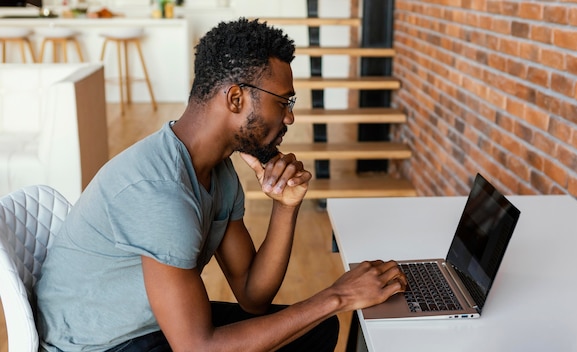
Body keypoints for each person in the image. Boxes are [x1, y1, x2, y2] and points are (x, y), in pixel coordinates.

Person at [35, 18, 406, 351]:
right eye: (284, 102)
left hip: (148, 327)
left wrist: (285, 206)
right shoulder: (160, 191)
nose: (290, 116)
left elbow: (252, 296)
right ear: (235, 98)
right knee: (318, 316)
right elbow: (197, 348)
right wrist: (338, 295)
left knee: (316, 330)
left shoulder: (218, 172)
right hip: (99, 345)